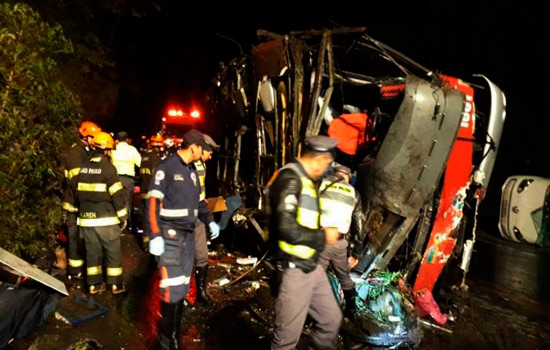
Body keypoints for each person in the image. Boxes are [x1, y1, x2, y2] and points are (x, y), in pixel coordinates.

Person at [267, 135, 343, 350]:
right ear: (319, 159)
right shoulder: (290, 178)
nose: (326, 169)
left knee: (330, 320)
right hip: (294, 269)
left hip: (311, 265)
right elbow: (285, 227)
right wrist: (322, 236)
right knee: (286, 340)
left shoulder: (306, 181)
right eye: (326, 164)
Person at [147, 129, 216, 350]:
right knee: (172, 288)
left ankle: (172, 334)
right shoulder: (166, 168)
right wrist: (155, 234)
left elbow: (199, 202)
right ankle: (168, 339)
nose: (203, 153)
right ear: (194, 147)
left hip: (187, 237)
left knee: (181, 287)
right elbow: (152, 204)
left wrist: (210, 220)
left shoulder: (193, 171)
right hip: (170, 235)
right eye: (201, 148)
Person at [66, 132, 128, 294]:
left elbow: (77, 193)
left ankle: (94, 285)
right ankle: (116, 285)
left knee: (92, 254)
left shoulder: (84, 167)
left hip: (86, 221)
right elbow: (117, 195)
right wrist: (123, 216)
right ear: (106, 150)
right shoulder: (108, 168)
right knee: (113, 252)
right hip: (106, 221)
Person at [318, 164, 365, 319]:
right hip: (340, 244)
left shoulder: (321, 184)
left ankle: (313, 315)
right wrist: (356, 252)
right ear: (348, 176)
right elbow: (359, 224)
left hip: (321, 240)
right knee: (344, 276)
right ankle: (351, 311)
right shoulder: (354, 193)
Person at [62, 121, 101, 279]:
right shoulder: (75, 154)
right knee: (74, 238)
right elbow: (78, 182)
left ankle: (79, 268)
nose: (95, 141)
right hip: (74, 204)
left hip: (82, 204)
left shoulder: (84, 152)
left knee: (81, 238)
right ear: (86, 136)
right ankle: (74, 271)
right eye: (94, 138)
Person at [192, 134, 221, 306]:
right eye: (209, 152)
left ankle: (201, 294)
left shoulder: (200, 165)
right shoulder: (188, 167)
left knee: (202, 256)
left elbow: (200, 196)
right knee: (185, 259)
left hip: (199, 216)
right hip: (185, 218)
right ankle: (178, 299)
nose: (211, 156)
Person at [111, 131, 141, 232]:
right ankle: (127, 224)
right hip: (128, 179)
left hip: (114, 178)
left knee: (115, 199)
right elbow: (140, 163)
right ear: (127, 139)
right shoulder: (131, 150)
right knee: (127, 201)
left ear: (117, 139)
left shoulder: (113, 149)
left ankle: (116, 222)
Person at [138, 134, 164, 247]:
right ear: (158, 146)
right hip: (151, 191)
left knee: (145, 217)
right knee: (152, 217)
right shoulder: (155, 159)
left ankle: (145, 240)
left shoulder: (144, 156)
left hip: (143, 190)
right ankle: (151, 242)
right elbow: (157, 176)